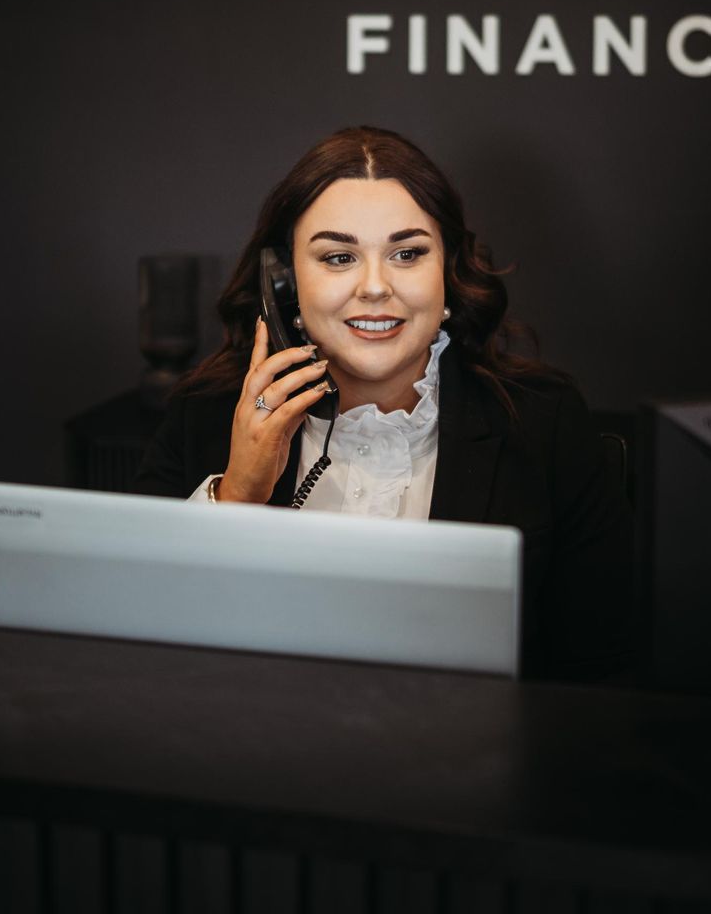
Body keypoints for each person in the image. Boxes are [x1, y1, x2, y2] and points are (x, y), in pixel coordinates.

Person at [132, 126, 634, 682]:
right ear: (284, 283)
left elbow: (600, 675)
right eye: (338, 257)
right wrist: (236, 496)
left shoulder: (544, 421)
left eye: (407, 253)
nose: (374, 286)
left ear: (448, 272)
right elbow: (137, 644)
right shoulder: (205, 413)